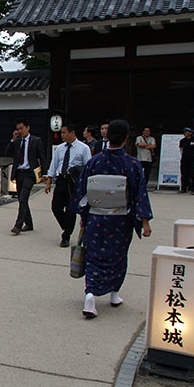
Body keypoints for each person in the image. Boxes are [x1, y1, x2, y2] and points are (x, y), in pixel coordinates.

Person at [71, 119, 152, 318]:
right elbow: (139, 193)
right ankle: (114, 293)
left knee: (94, 256)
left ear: (107, 137)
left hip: (96, 218)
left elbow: (82, 191)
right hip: (120, 220)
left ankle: (90, 295)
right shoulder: (132, 164)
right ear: (126, 139)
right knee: (118, 255)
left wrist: (83, 214)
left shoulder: (95, 161)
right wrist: (144, 220)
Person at [44, 123, 91, 247]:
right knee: (56, 207)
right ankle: (67, 227)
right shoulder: (60, 148)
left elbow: (88, 167)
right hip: (61, 180)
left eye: (64, 132)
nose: (62, 135)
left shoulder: (83, 148)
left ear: (72, 132)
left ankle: (66, 236)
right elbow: (54, 164)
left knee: (70, 209)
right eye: (61, 133)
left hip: (73, 182)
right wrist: (49, 181)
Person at [5, 117, 48, 235]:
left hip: (30, 173)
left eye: (21, 128)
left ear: (27, 128)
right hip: (19, 173)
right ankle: (29, 223)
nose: (19, 131)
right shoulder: (18, 141)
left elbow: (42, 157)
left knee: (23, 198)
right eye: (17, 129)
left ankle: (18, 225)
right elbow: (7, 153)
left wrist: (45, 173)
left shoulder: (36, 140)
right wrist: (13, 140)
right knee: (21, 199)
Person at [179, 127, 194, 194]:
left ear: (190, 133)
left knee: (192, 174)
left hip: (192, 159)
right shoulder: (182, 141)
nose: (185, 133)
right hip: (184, 159)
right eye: (184, 132)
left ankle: (193, 189)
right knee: (184, 174)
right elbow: (181, 149)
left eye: (186, 132)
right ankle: (183, 188)